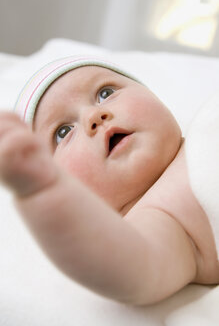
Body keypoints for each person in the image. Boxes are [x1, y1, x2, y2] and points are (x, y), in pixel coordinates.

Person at [0, 56, 218, 305]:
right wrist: (43, 194)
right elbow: (130, 267)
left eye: (106, 93)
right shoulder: (162, 219)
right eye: (63, 132)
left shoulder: (203, 124)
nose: (94, 115)